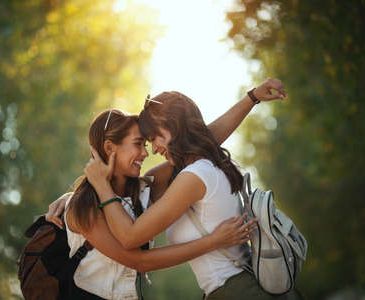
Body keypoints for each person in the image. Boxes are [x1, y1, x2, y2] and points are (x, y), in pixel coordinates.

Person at [47, 78, 295, 299]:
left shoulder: (146, 188)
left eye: (149, 142)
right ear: (110, 149)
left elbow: (201, 140)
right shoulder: (83, 207)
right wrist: (81, 193)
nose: (147, 152)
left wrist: (251, 99)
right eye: (139, 144)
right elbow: (136, 259)